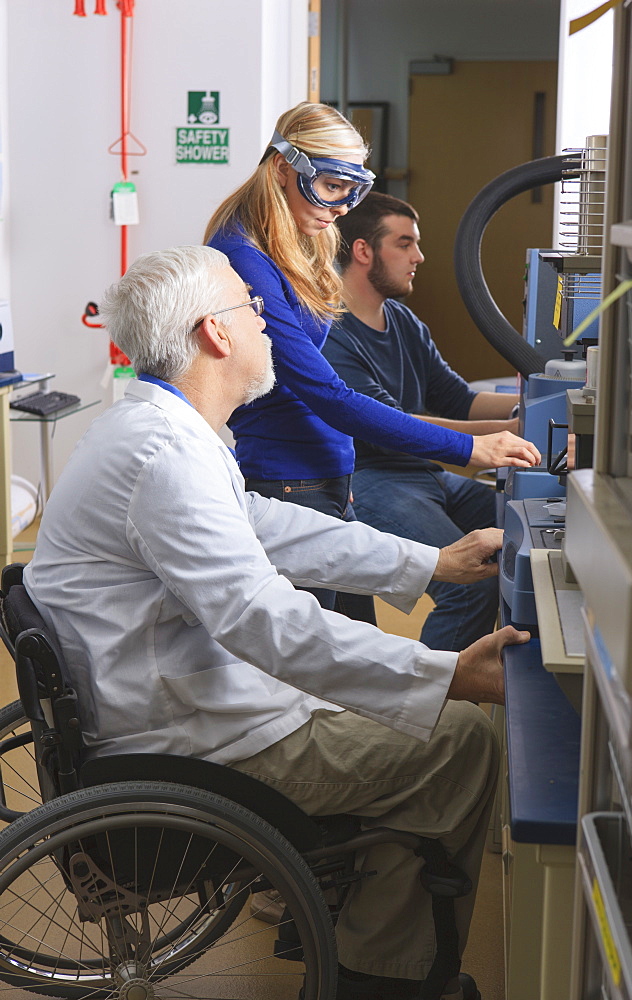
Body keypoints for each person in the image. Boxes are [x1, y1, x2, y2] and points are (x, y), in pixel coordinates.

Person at [24, 246, 530, 1000]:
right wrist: (447, 673)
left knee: (398, 707)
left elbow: (268, 528)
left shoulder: (163, 430)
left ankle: (347, 922)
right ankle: (378, 978)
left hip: (183, 703)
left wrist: (432, 564)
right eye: (250, 307)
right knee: (455, 742)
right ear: (214, 334)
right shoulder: (165, 454)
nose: (268, 319)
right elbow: (259, 619)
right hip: (187, 741)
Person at [204, 102, 540, 619]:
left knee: (348, 648)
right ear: (281, 169)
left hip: (331, 476)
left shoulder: (296, 243)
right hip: (290, 481)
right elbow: (330, 399)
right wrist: (467, 448)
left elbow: (445, 395)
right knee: (314, 663)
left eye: (352, 189)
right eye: (331, 186)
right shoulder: (244, 253)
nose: (340, 206)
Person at [323, 192, 521, 652]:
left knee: (522, 535)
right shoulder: (331, 331)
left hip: (427, 476)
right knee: (469, 584)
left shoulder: (403, 322)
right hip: (373, 481)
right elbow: (391, 424)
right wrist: (508, 434)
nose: (419, 257)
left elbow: (459, 398)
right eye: (405, 243)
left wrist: (534, 401)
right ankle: (434, 711)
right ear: (363, 251)